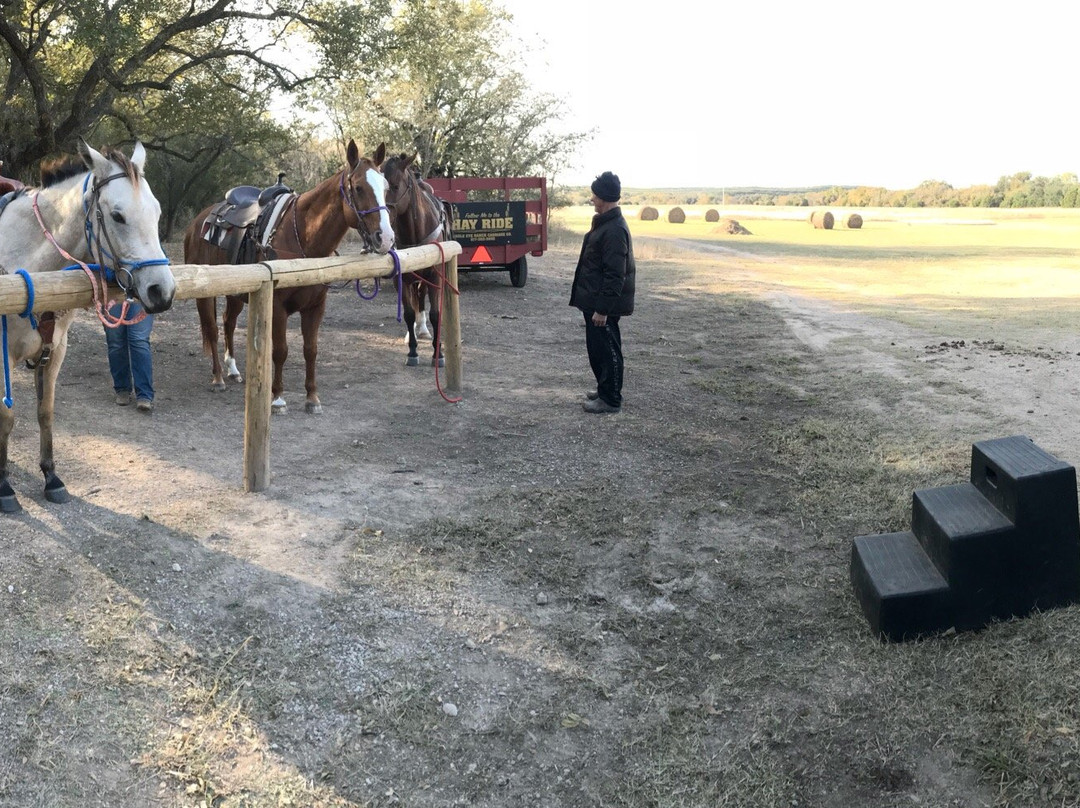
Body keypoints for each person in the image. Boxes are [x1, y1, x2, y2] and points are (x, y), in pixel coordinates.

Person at [569, 171, 636, 414]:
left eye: (595, 195)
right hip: (595, 301)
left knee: (607, 350)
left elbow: (615, 275)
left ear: (605, 198)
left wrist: (602, 309)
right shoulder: (607, 223)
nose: (592, 199)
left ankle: (610, 400)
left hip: (602, 306)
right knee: (598, 349)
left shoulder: (615, 230)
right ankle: (605, 388)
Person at [104, 300, 155, 412]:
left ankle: (144, 394)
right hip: (113, 289)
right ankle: (122, 388)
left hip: (140, 292)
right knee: (116, 341)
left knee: (139, 340)